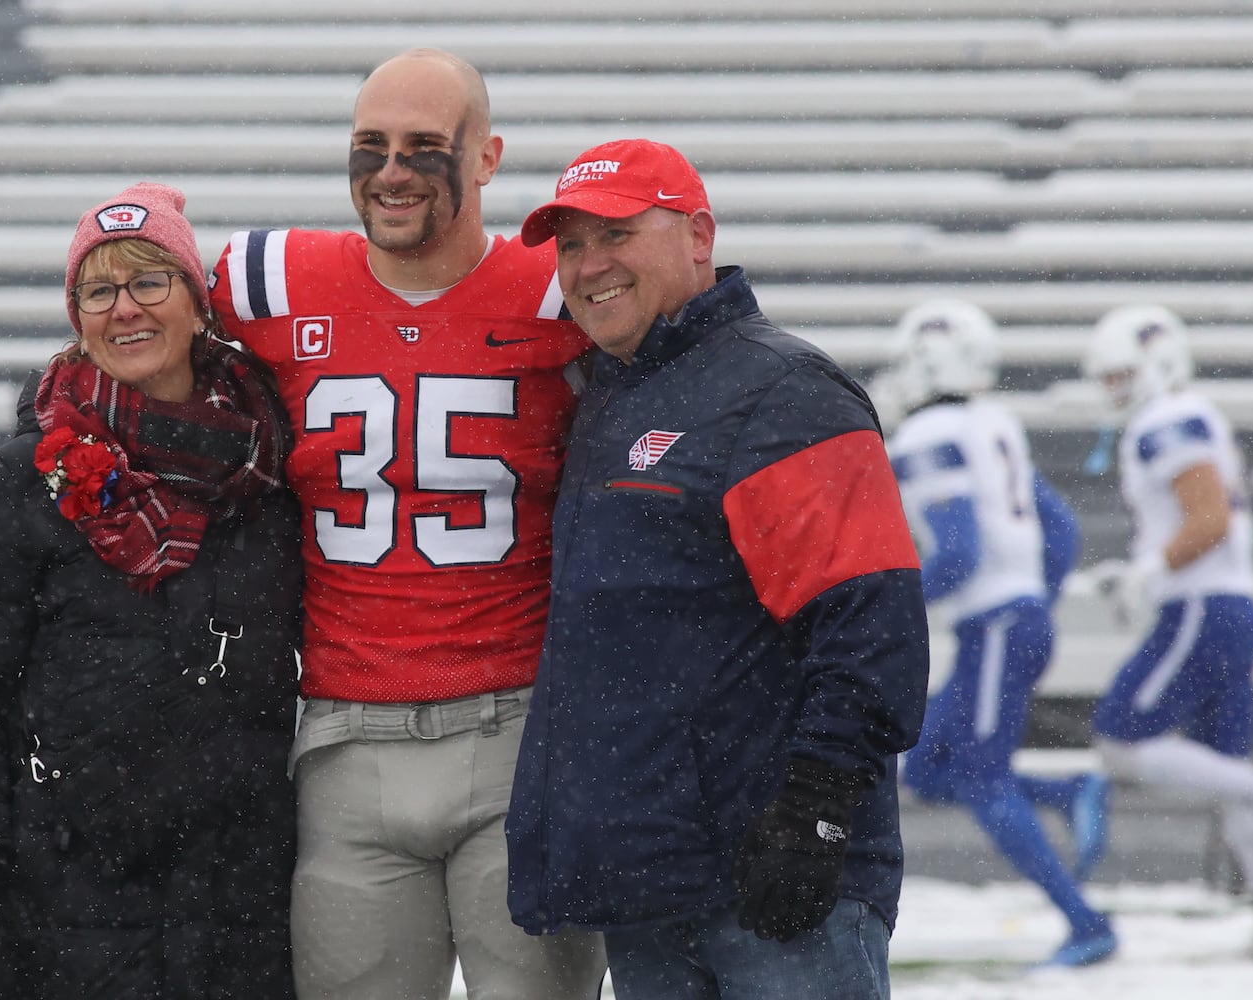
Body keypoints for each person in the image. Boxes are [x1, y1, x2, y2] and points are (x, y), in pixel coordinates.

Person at [207, 49, 607, 1000]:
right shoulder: (270, 279)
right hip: (346, 736)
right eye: (369, 147)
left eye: (425, 147)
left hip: (518, 727)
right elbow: (132, 334)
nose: (390, 172)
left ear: (487, 156)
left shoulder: (561, 295)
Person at [504, 137, 931, 1000]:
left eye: (616, 235)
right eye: (571, 245)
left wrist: (815, 809)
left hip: (770, 882)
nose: (589, 266)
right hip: (651, 883)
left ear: (697, 235)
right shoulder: (614, 394)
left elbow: (870, 627)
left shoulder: (782, 391)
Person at [0, 182, 302, 999]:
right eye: (98, 290)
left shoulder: (269, 470)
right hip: (58, 897)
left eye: (148, 281)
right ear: (76, 316)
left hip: (236, 901)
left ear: (196, 301)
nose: (124, 309)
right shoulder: (24, 477)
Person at [886, 299, 1116, 967]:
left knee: (981, 779)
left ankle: (1084, 923)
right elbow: (1062, 529)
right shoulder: (994, 423)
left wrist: (891, 607)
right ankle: (1064, 792)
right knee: (925, 768)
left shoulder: (928, 436)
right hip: (1016, 620)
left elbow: (956, 554)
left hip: (993, 626)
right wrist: (1032, 603)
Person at [1082, 303, 1253, 962]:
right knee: (1223, 765)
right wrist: (1141, 572)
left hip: (1200, 610)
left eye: (1120, 374)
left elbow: (1206, 519)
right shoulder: (1191, 416)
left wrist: (1148, 570)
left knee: (1119, 739)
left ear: (1155, 363)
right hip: (1228, 607)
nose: (1112, 389)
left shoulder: (1166, 422)